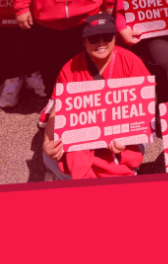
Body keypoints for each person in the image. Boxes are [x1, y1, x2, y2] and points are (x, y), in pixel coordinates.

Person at [41, 13, 147, 180]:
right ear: (83, 42)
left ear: (115, 38)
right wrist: (47, 143)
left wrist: (125, 138)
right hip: (82, 137)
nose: (101, 43)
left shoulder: (131, 62)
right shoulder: (69, 69)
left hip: (121, 135)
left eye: (107, 37)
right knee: (62, 156)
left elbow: (143, 111)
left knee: (121, 158)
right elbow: (58, 111)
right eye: (93, 39)